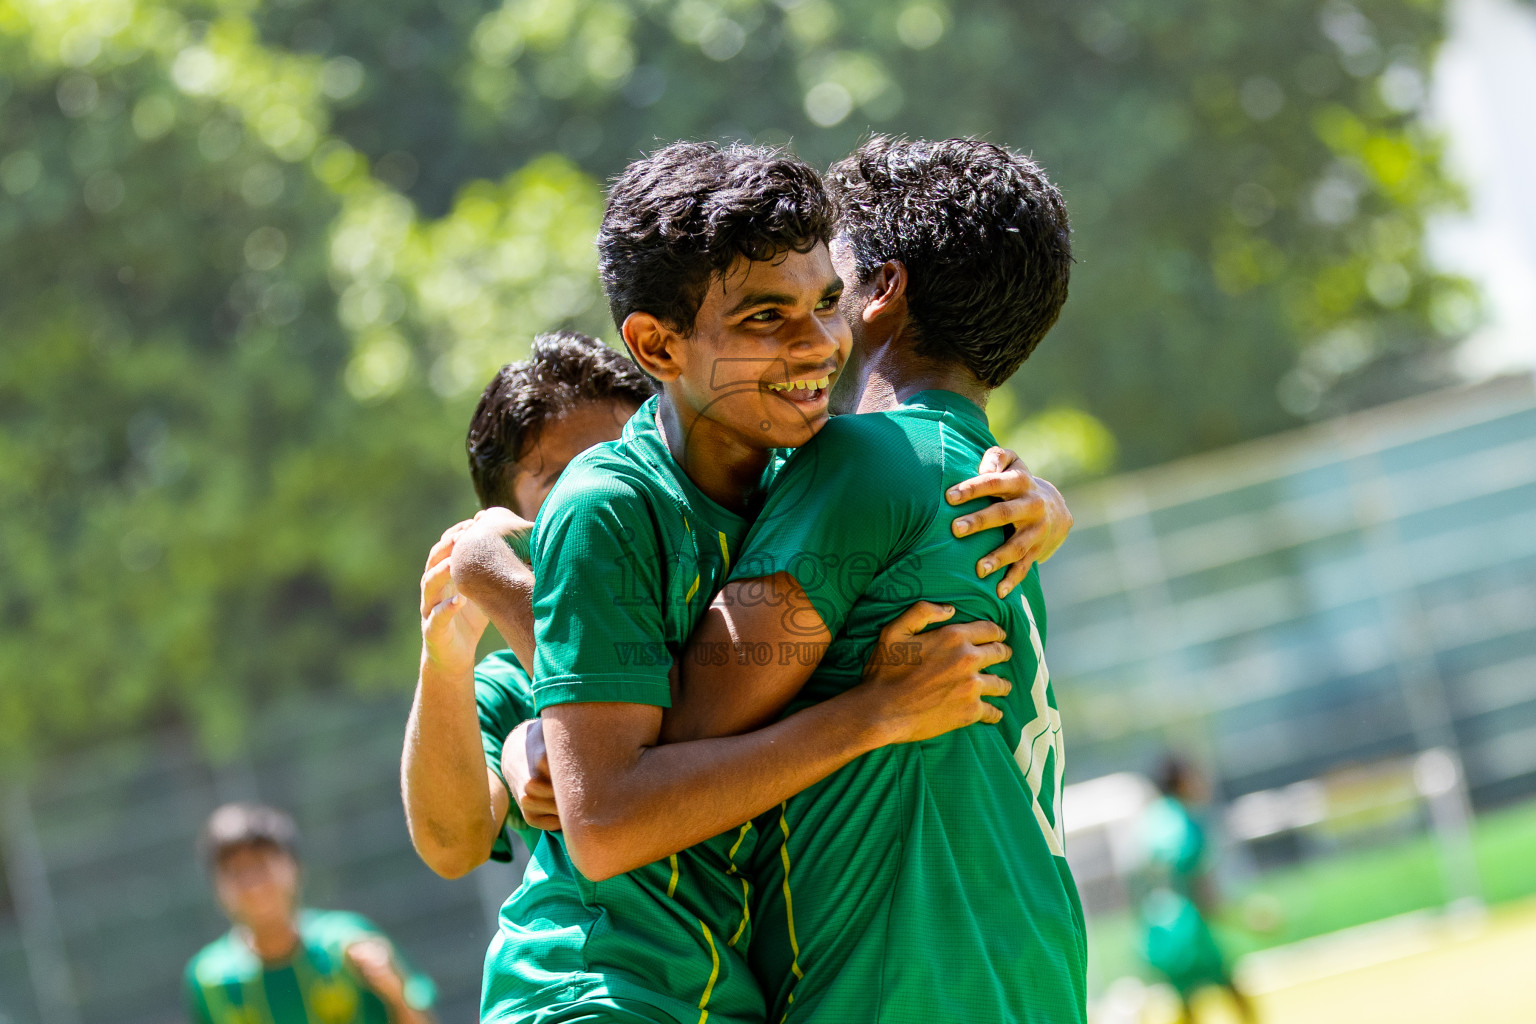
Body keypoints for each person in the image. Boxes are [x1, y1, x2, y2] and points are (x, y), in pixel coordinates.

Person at [443, 141, 1072, 1024]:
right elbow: (609, 815)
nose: (818, 341)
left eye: (825, 300)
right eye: (768, 317)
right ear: (657, 345)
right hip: (605, 993)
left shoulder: (812, 473)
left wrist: (1042, 494)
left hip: (768, 992)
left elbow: (657, 744)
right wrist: (872, 714)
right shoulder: (618, 503)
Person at [402, 331, 656, 880]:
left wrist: (534, 743)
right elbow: (453, 847)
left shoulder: (722, 595)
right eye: (565, 485)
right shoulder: (506, 691)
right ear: (505, 524)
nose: (604, 497)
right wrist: (444, 661)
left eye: (624, 462)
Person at [184, 803, 436, 1024]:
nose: (252, 883)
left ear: (294, 868)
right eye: (235, 871)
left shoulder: (348, 943)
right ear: (216, 887)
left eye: (262, 864)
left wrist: (395, 991)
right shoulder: (208, 979)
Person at [1136, 756, 1257, 1024]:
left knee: (1187, 1005)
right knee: (1233, 994)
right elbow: (1201, 887)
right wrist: (1245, 917)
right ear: (1181, 781)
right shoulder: (1188, 823)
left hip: (1157, 929)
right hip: (1189, 929)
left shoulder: (1151, 820)